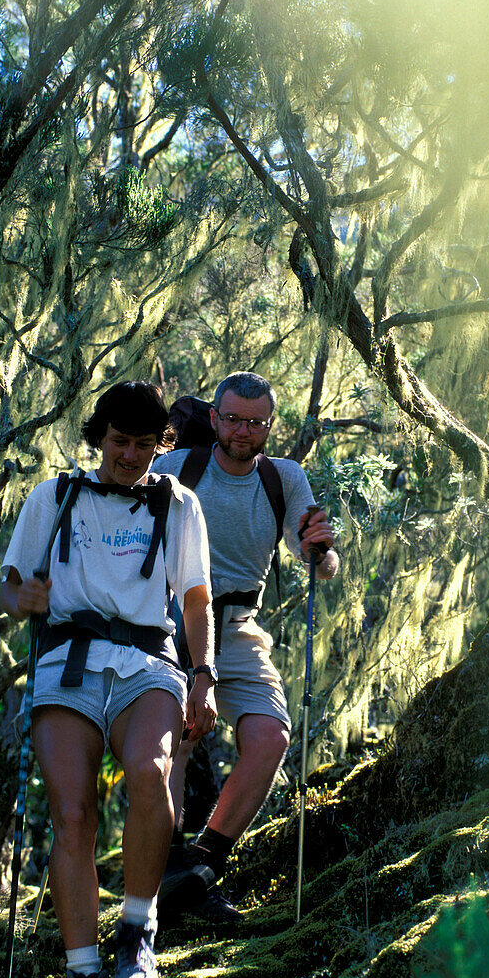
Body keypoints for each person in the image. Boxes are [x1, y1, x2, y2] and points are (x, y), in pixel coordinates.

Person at [0, 382, 216, 978]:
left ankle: (137, 931)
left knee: (151, 775)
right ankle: (82, 973)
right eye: (120, 442)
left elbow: (196, 596)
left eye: (145, 445)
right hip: (68, 667)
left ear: (160, 446)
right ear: (99, 438)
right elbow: (10, 588)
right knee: (73, 813)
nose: (131, 456)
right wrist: (25, 601)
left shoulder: (177, 504)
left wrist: (204, 674)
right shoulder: (55, 497)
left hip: (148, 663)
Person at [153, 371, 338, 920]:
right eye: (232, 419)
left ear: (269, 426)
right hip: (170, 624)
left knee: (271, 736)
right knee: (176, 743)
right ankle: (159, 867)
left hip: (237, 627)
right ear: (214, 419)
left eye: (256, 423)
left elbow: (320, 563)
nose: (243, 431)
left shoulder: (284, 479)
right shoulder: (174, 469)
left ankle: (201, 865)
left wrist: (320, 549)